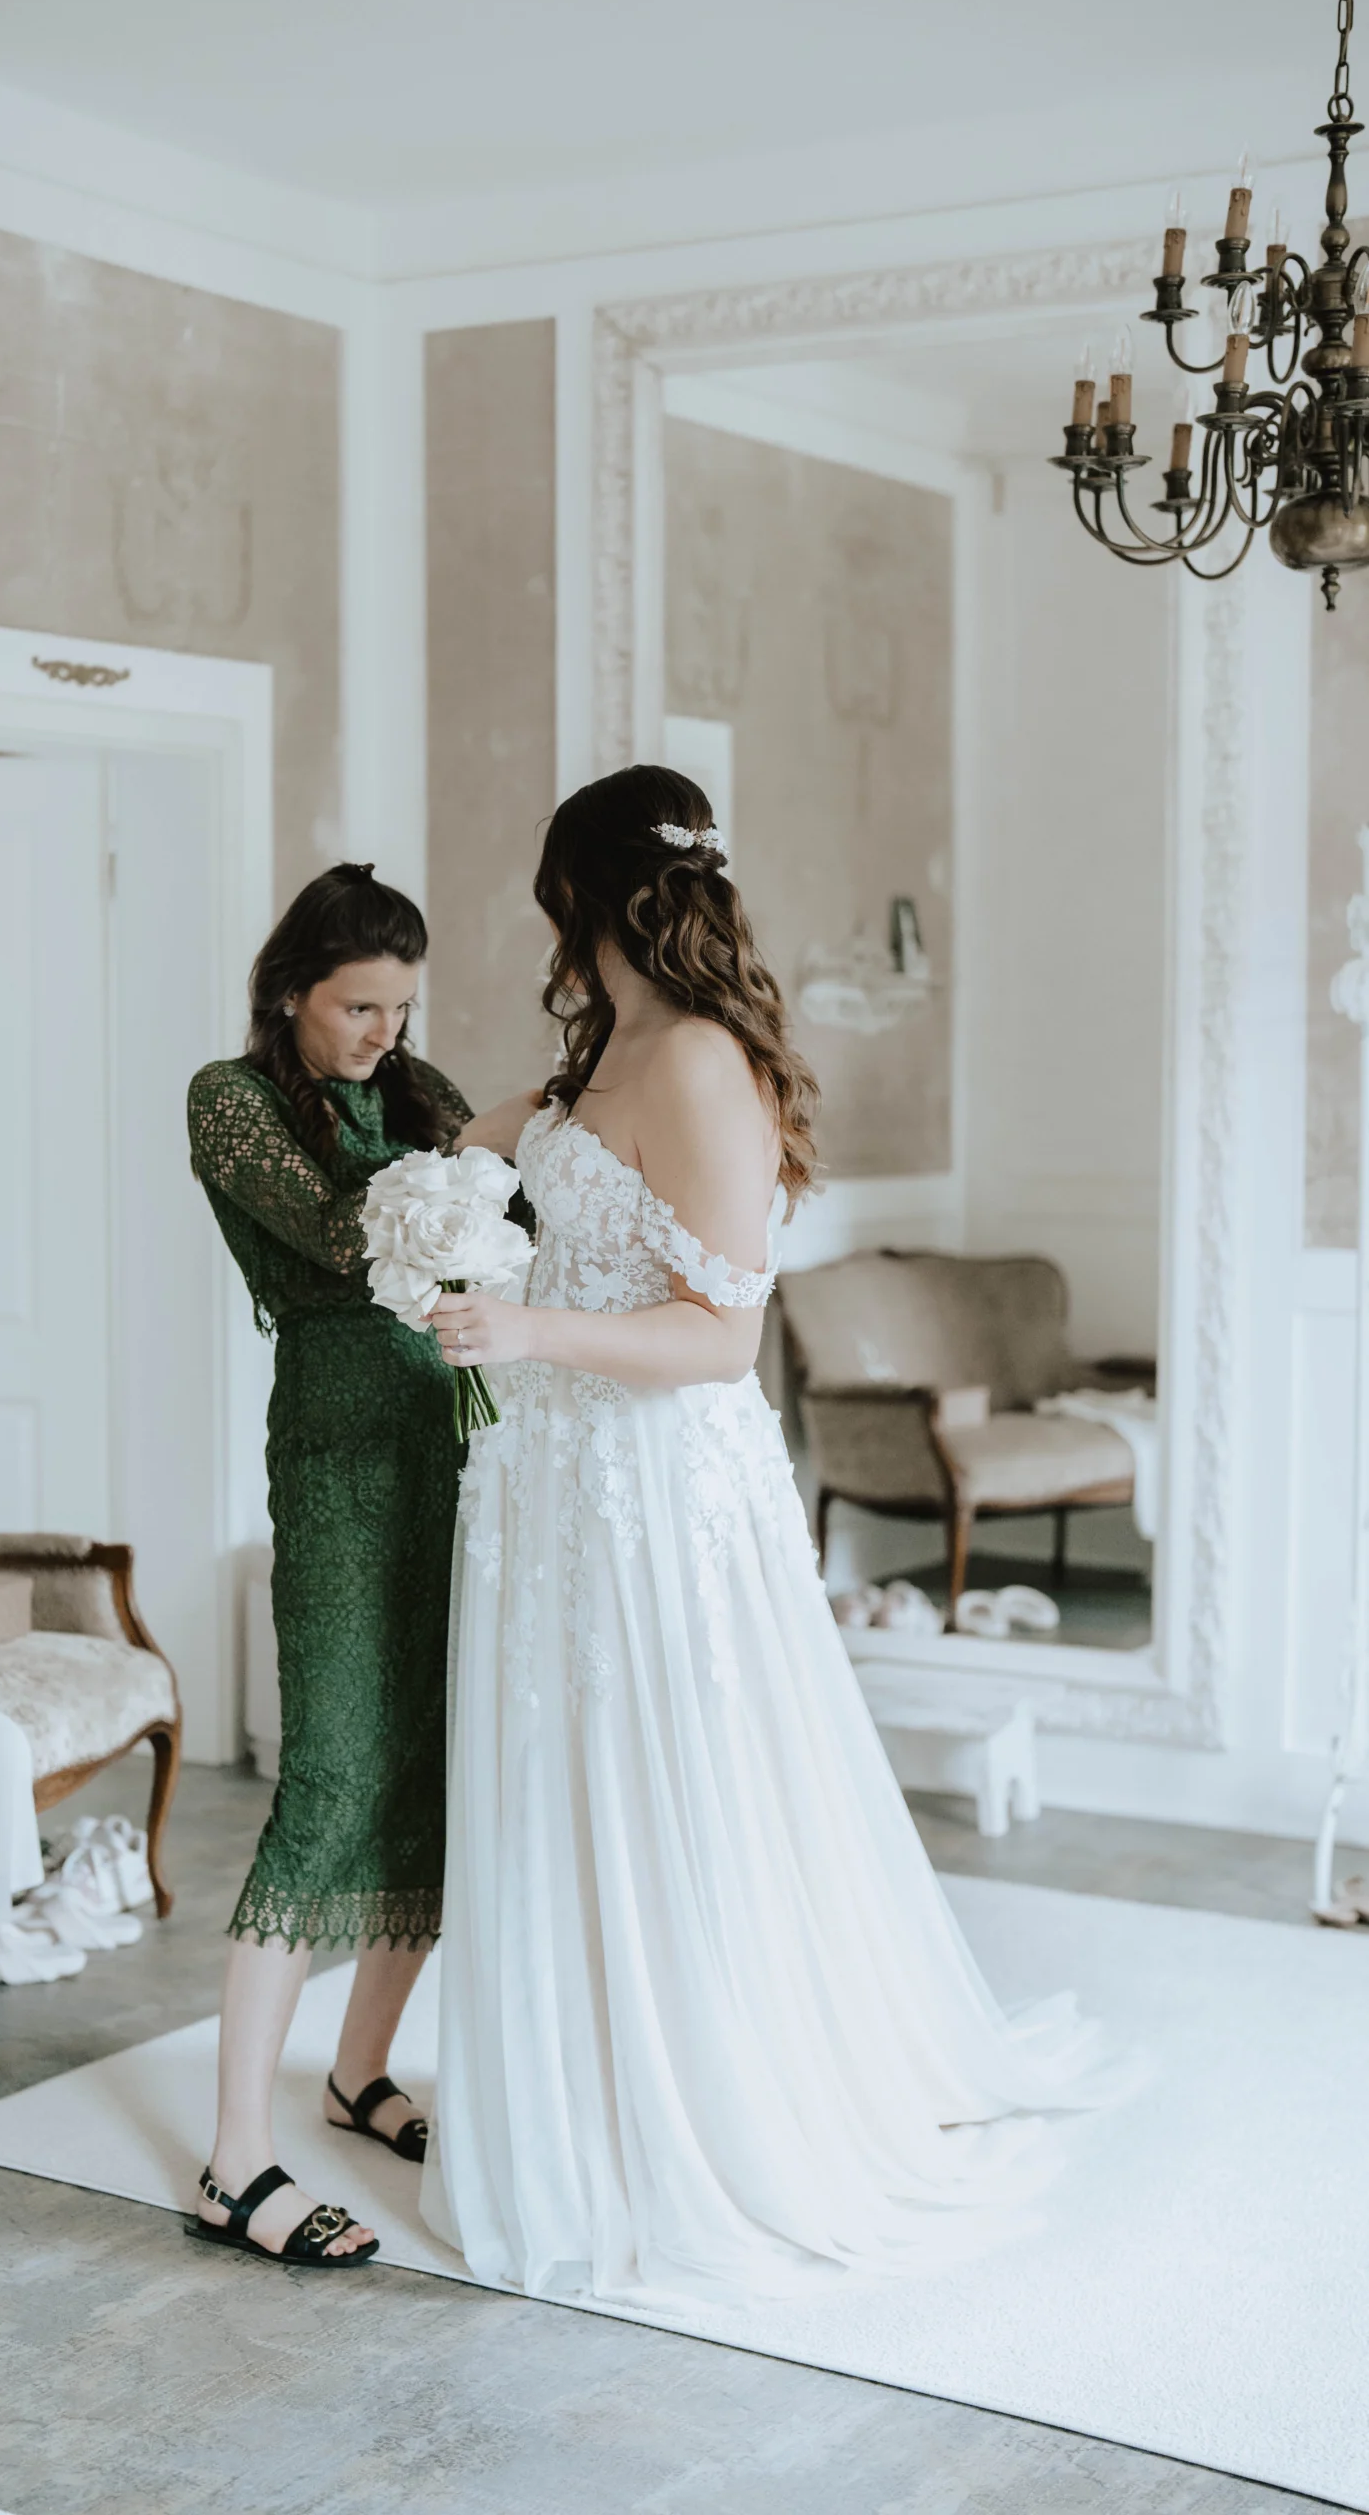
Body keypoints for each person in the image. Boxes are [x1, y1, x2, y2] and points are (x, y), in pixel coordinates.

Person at [421, 768, 1107, 2303]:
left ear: (583, 894)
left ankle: (689, 2113)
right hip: (545, 1480)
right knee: (556, 1775)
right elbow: (501, 1150)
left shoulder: (702, 1064)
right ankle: (570, 2097)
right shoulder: (595, 1055)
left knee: (664, 1777)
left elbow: (722, 1343)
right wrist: (432, 1189)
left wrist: (527, 1324)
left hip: (650, 1489)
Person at [186, 863, 470, 2269]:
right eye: (359, 1005)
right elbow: (348, 1234)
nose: (381, 1034)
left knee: (433, 1767)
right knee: (335, 1776)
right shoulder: (227, 1101)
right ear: (292, 988)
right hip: (340, 1459)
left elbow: (506, 1231)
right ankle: (235, 2160)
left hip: (456, 1447)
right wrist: (471, 1197)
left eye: (400, 1009)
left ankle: (358, 2076)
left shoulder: (415, 1092)